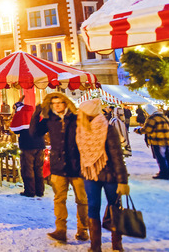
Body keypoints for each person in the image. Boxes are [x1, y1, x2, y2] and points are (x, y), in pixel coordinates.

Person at [31, 92, 89, 243]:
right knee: (59, 199)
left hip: (77, 166)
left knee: (82, 200)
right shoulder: (50, 120)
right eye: (53, 103)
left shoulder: (76, 118)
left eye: (59, 102)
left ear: (66, 103)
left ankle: (83, 229)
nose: (56, 105)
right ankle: (61, 230)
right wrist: (37, 113)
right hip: (58, 166)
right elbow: (34, 132)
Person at [75, 98, 129, 252]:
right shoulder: (81, 129)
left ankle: (117, 243)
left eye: (82, 111)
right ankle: (95, 245)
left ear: (88, 113)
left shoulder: (108, 129)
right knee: (92, 207)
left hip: (110, 175)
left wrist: (122, 181)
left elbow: (117, 156)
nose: (79, 114)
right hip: (89, 174)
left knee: (114, 207)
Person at [10, 100, 45, 198]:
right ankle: (40, 191)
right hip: (40, 144)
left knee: (27, 168)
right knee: (38, 168)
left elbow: (14, 130)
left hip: (27, 145)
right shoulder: (35, 113)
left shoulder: (20, 114)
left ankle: (30, 191)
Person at [134, 104, 169, 179]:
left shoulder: (152, 118)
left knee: (160, 157)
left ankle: (163, 173)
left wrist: (138, 130)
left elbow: (147, 129)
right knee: (167, 156)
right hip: (167, 140)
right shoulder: (164, 116)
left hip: (158, 140)